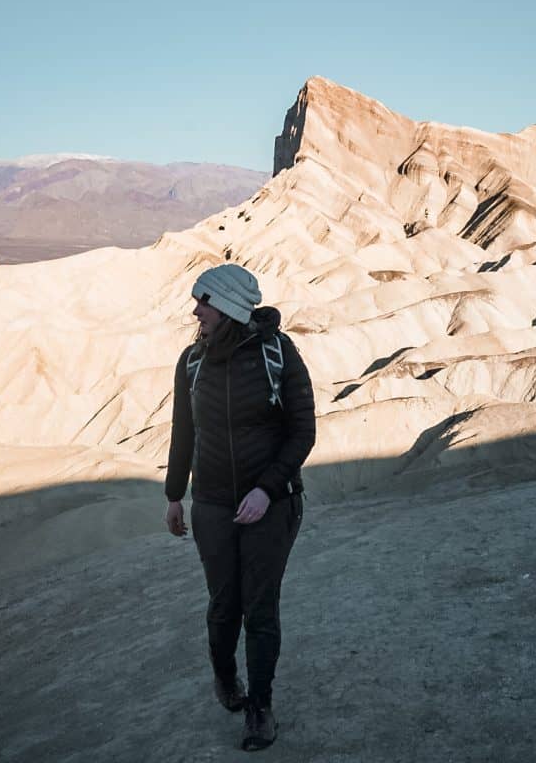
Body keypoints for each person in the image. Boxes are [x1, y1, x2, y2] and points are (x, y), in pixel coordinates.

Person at [165, 264, 316, 752]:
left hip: (269, 506)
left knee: (260, 608)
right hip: (210, 503)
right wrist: (174, 495)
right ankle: (226, 680)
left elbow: (302, 432)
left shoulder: (279, 354)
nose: (195, 311)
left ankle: (260, 708)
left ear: (227, 305)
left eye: (203, 302)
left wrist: (267, 490)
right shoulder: (192, 360)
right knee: (222, 605)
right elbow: (183, 433)